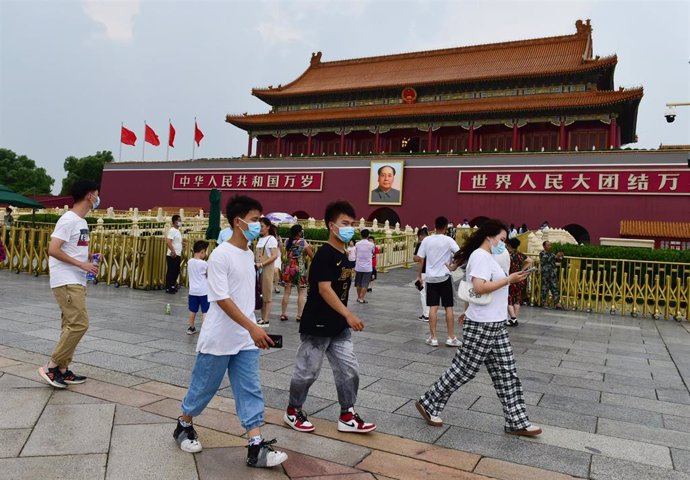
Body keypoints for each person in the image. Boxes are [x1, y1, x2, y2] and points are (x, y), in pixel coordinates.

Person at [174, 195, 288, 469]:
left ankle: (256, 445)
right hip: (219, 338)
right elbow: (222, 299)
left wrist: (252, 328)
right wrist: (253, 327)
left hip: (245, 338)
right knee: (204, 388)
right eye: (254, 219)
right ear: (238, 222)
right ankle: (183, 424)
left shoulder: (249, 253)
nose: (259, 224)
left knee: (250, 389)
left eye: (260, 219)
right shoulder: (221, 255)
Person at [415, 219, 542, 437]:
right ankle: (429, 402)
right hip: (483, 325)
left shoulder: (488, 257)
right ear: (489, 237)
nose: (503, 243)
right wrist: (509, 280)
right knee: (465, 369)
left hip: (495, 323)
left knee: (507, 373)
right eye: (501, 239)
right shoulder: (481, 256)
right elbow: (480, 287)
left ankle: (517, 420)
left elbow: (479, 293)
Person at [283, 200, 376, 434]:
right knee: (308, 371)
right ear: (332, 226)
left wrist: (344, 318)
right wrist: (349, 314)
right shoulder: (325, 254)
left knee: (349, 369)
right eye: (345, 223)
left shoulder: (344, 253)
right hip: (318, 322)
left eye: (352, 224)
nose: (350, 228)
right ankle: (293, 410)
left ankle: (347, 414)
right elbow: (325, 289)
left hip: (338, 325)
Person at [37, 179, 100, 388]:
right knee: (80, 324)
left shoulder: (81, 222)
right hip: (66, 279)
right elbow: (53, 249)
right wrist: (81, 265)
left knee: (69, 325)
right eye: (96, 194)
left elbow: (72, 249)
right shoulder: (69, 219)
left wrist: (88, 259)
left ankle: (63, 369)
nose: (98, 198)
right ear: (90, 196)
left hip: (76, 279)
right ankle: (51, 366)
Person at [415, 216, 460, 347]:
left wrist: (418, 276)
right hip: (444, 277)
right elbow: (459, 254)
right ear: (446, 227)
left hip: (431, 278)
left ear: (434, 226)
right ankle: (451, 337)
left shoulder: (427, 240)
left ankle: (433, 337)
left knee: (433, 308)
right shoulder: (448, 240)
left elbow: (420, 258)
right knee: (448, 307)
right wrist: (453, 265)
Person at [280, 224, 313, 322]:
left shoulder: (287, 241)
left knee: (286, 292)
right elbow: (311, 255)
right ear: (299, 232)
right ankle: (299, 315)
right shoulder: (303, 242)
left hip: (288, 267)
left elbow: (288, 251)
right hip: (299, 268)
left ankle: (283, 314)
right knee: (301, 293)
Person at [256, 218, 279, 326]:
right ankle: (262, 317)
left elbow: (275, 255)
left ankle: (266, 319)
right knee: (261, 294)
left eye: (262, 226)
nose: (260, 228)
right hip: (258, 269)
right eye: (259, 226)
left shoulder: (271, 239)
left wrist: (263, 263)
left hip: (266, 269)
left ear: (268, 227)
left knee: (267, 294)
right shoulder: (260, 239)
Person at [506, 238, 532, 326]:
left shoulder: (508, 255)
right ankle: (514, 318)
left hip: (510, 278)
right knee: (516, 300)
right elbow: (530, 261)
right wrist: (522, 269)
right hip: (519, 278)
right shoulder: (520, 255)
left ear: (509, 245)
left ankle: (513, 318)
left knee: (508, 299)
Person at [186, 240, 209, 335]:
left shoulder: (189, 262)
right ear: (202, 252)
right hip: (204, 291)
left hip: (193, 291)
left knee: (192, 310)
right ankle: (205, 329)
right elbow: (208, 275)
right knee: (205, 311)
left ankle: (191, 328)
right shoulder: (204, 264)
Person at [540, 241, 564, 309]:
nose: (550, 246)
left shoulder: (552, 254)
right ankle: (544, 302)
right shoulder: (542, 253)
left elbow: (558, 259)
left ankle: (557, 303)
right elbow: (545, 260)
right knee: (545, 288)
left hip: (552, 274)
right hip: (545, 274)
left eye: (550, 245)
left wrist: (560, 256)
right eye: (548, 245)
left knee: (555, 288)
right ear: (544, 246)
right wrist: (555, 256)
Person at [412, 227, 430, 321]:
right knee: (431, 293)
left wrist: (418, 275)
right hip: (434, 272)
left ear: (420, 236)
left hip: (424, 271)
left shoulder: (421, 244)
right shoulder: (433, 243)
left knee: (423, 293)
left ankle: (426, 314)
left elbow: (418, 259)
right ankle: (431, 313)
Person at [354, 229, 375, 303]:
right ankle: (362, 298)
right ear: (368, 235)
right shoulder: (371, 244)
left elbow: (356, 252)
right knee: (365, 283)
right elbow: (373, 252)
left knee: (358, 283)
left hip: (359, 266)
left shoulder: (357, 244)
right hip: (367, 267)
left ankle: (358, 297)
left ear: (361, 235)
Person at [166, 215, 183, 294]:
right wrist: (173, 251)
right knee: (171, 271)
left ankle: (172, 285)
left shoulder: (178, 231)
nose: (180, 222)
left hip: (178, 254)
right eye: (179, 220)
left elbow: (176, 241)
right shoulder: (172, 230)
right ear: (175, 221)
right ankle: (168, 287)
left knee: (176, 271)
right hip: (172, 254)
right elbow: (168, 241)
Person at [271, 224, 283, 294]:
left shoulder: (278, 237)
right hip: (270, 255)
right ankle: (270, 286)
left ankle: (276, 286)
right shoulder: (269, 237)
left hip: (277, 255)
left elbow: (281, 248)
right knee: (270, 271)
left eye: (275, 230)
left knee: (276, 271)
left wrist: (279, 241)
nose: (274, 231)